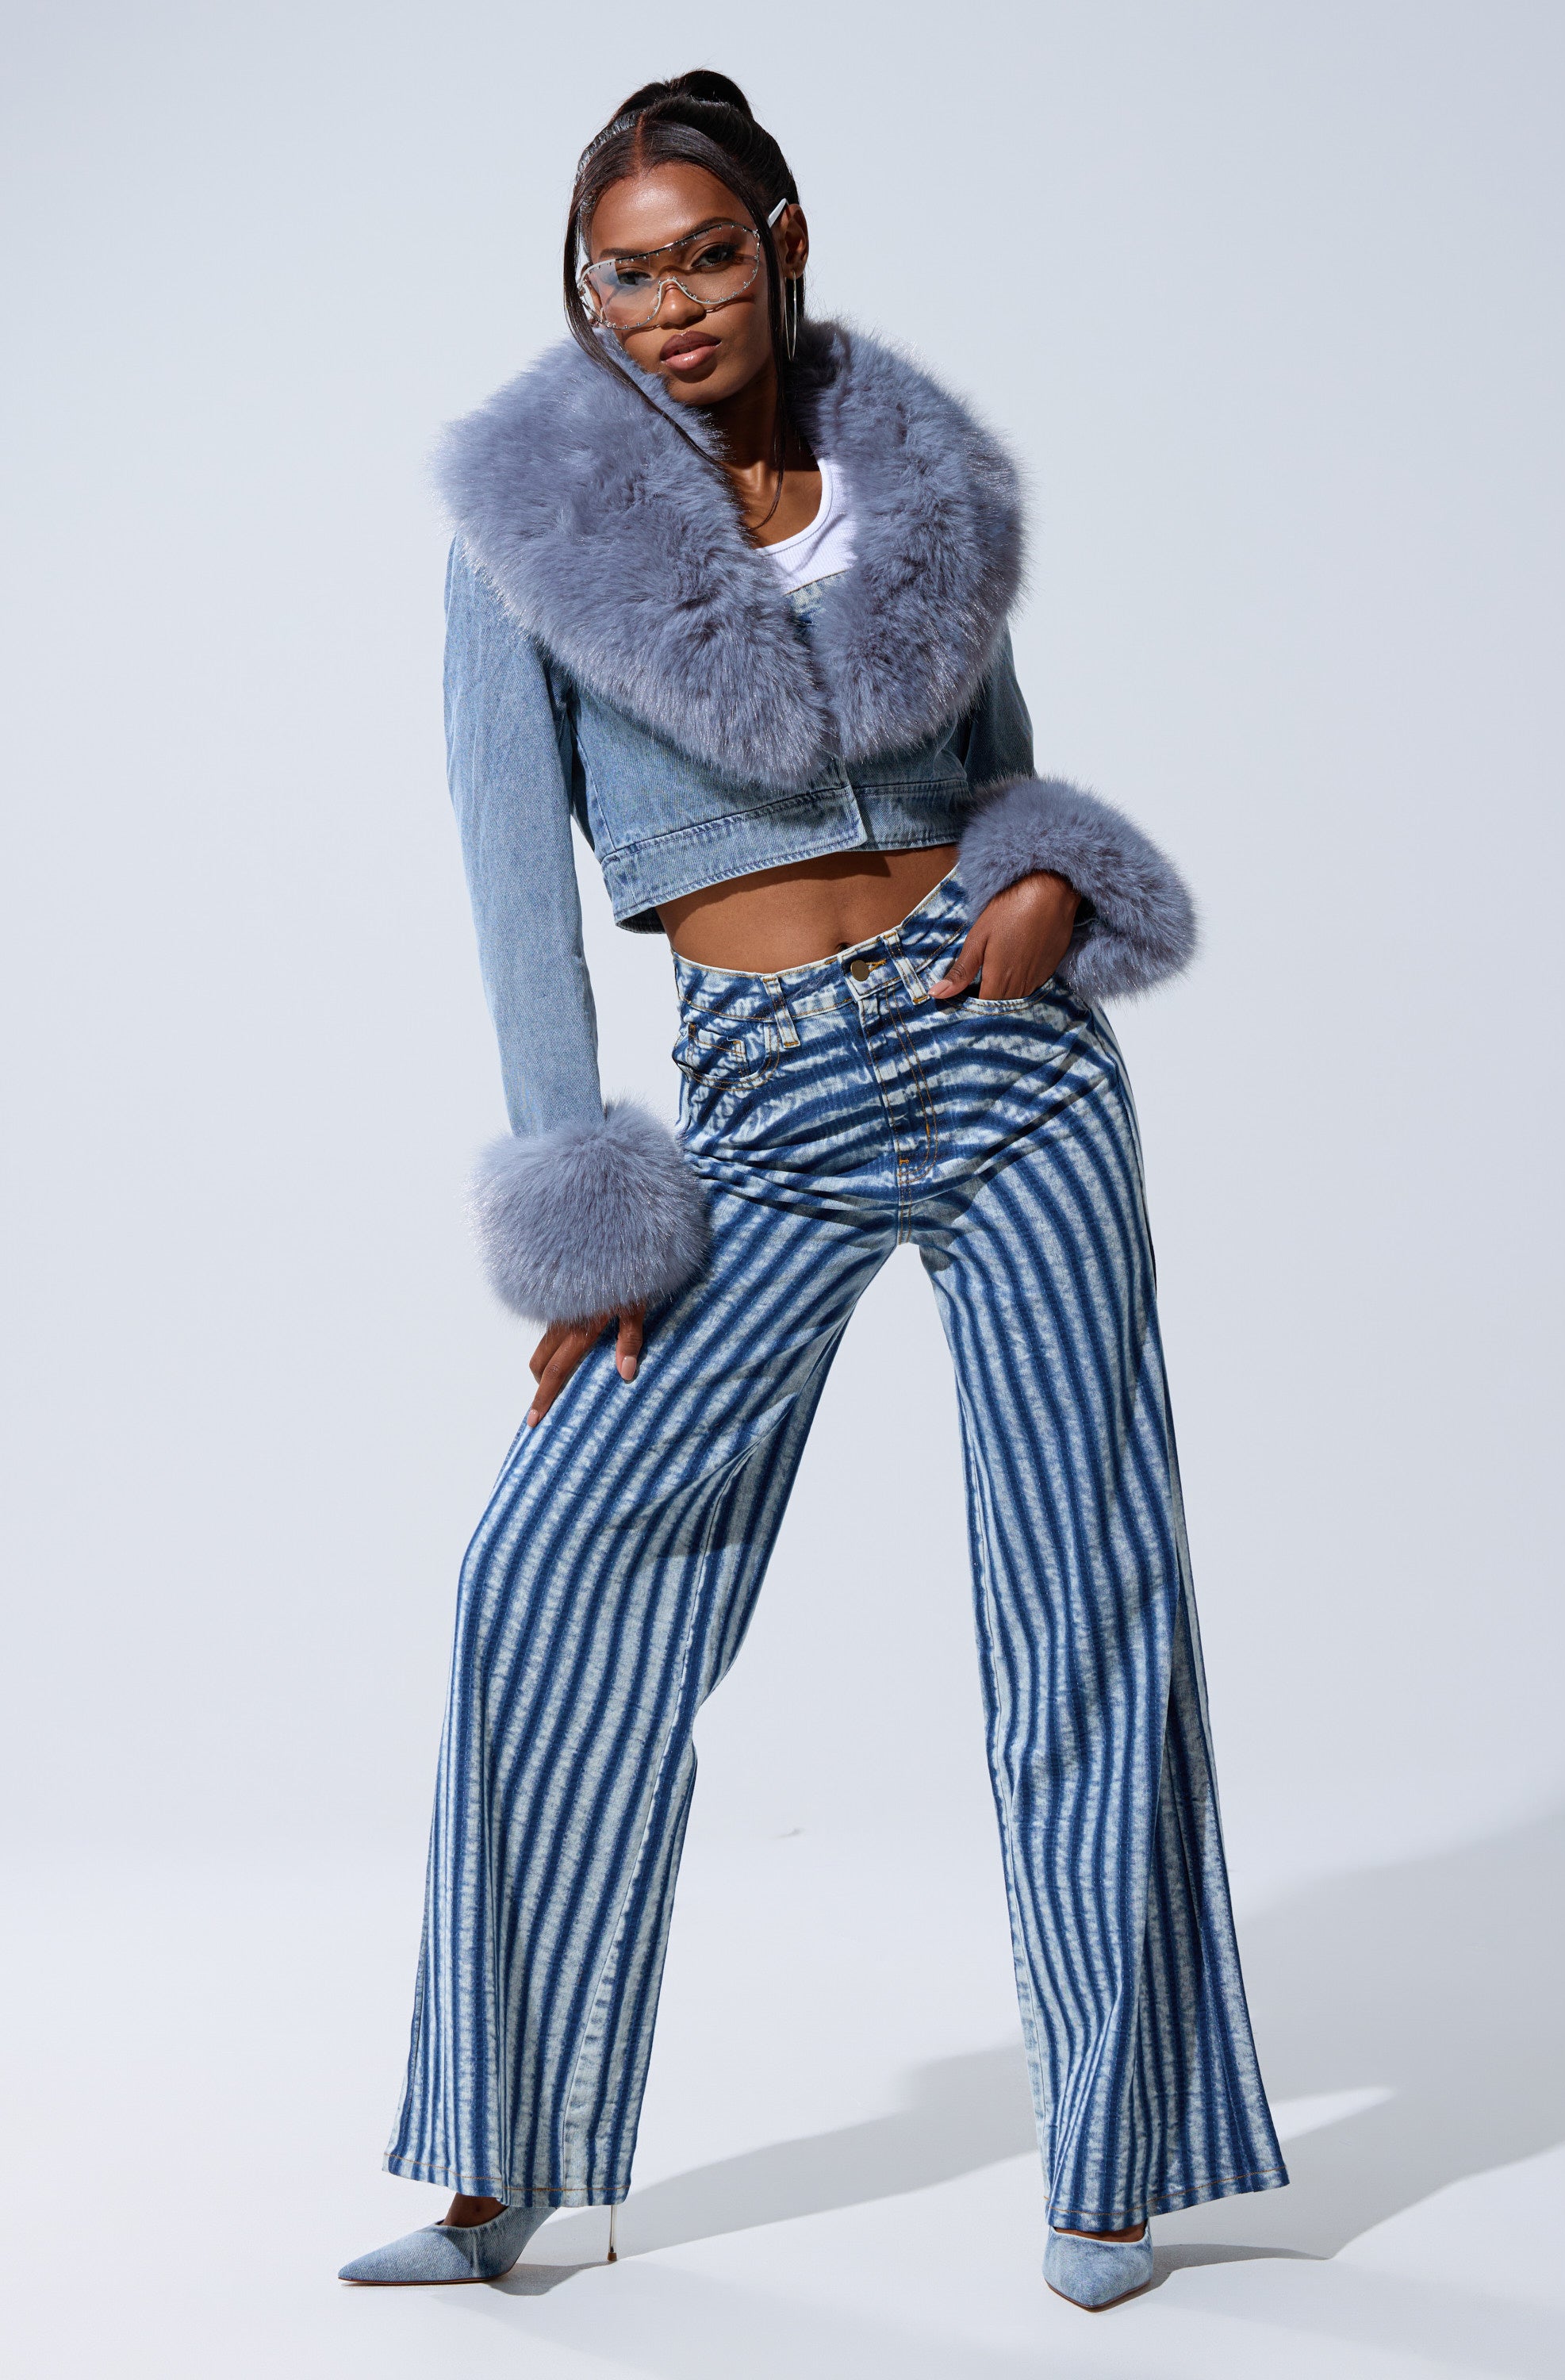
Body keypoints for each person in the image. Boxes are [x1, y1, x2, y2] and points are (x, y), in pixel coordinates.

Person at [339, 71, 1286, 2313]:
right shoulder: (526, 529)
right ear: (586, 287)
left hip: (1009, 1065)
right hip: (756, 1092)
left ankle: (1114, 2165)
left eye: (705, 257)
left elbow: (1002, 760)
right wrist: (584, 1211)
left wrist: (1045, 875)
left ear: (781, 238)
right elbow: (511, 886)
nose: (668, 305)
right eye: (624, 271)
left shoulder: (910, 475)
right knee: (545, 1574)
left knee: (1088, 1590)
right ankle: (497, 2167)